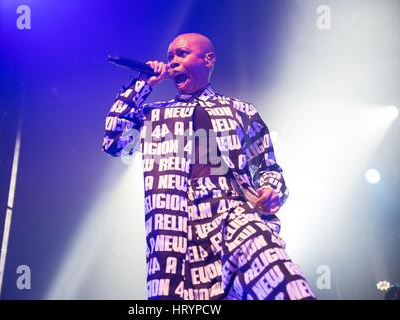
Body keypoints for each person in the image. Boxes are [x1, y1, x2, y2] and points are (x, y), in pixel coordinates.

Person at [102, 33, 316, 300]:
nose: (173, 62)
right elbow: (114, 142)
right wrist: (143, 84)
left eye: (182, 54)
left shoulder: (239, 110)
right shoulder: (155, 115)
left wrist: (270, 190)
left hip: (233, 211)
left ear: (209, 59)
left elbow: (268, 168)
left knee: (284, 279)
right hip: (176, 225)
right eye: (170, 57)